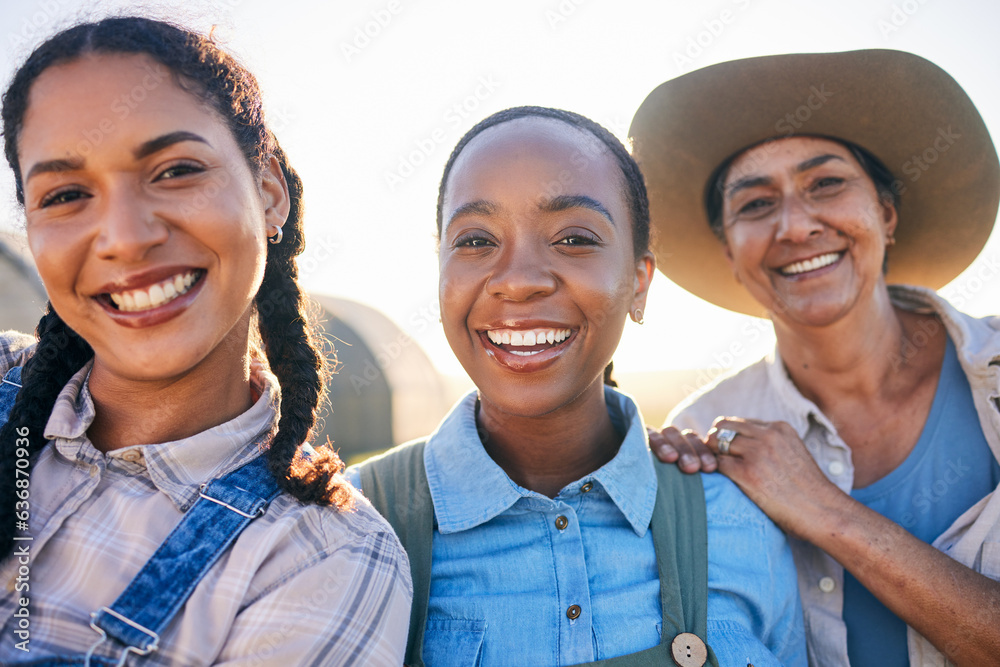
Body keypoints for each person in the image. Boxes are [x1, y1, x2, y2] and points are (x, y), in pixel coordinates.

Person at [0, 17, 410, 665]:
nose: (126, 236)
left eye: (175, 170)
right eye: (67, 194)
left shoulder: (321, 556)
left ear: (269, 192)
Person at [349, 106, 806, 666]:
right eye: (474, 241)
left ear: (639, 283)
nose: (518, 280)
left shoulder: (737, 521)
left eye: (573, 239)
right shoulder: (349, 526)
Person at [629, 49, 1000, 666]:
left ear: (885, 212)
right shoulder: (708, 430)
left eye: (826, 183)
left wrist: (825, 512)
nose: (795, 226)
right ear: (730, 252)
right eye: (754, 204)